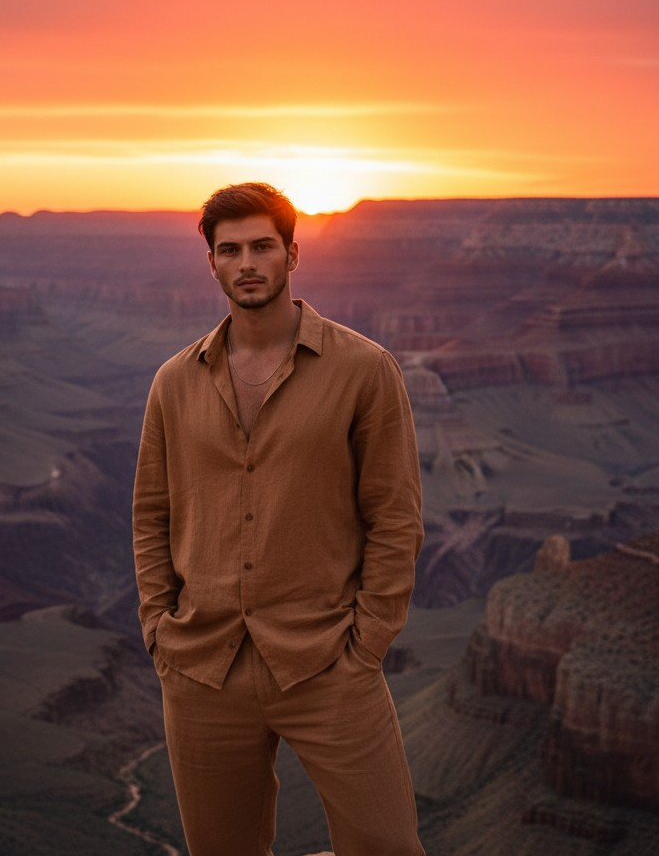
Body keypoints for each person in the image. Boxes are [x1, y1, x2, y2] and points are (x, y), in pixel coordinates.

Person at [132, 182, 425, 856]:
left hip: (327, 661)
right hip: (203, 667)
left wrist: (367, 645)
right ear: (211, 262)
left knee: (387, 847)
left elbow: (395, 516)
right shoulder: (173, 382)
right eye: (229, 249)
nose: (247, 263)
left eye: (263, 245)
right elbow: (151, 512)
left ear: (292, 253)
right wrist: (158, 628)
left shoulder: (363, 369)